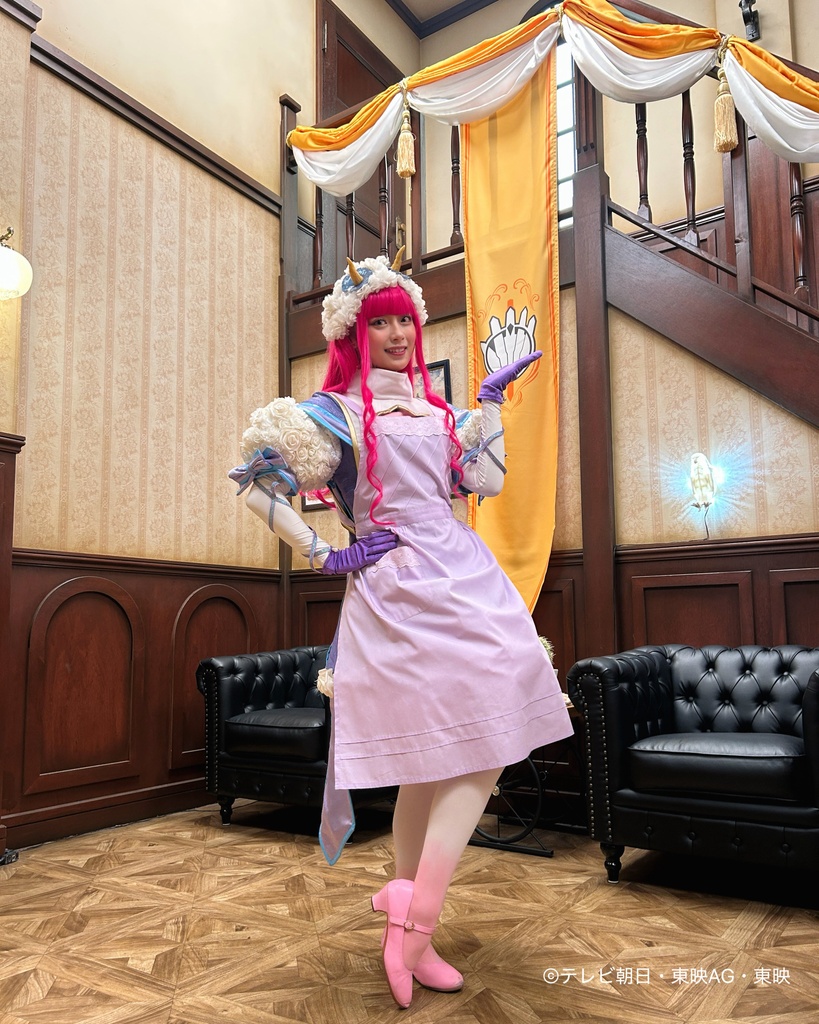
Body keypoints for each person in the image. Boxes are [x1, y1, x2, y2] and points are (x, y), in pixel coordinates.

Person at [229, 250, 573, 1009]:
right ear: (354, 333)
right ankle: (416, 924)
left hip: (465, 571)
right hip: (394, 586)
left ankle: (407, 917)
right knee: (440, 756)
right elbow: (256, 487)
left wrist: (487, 405)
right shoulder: (332, 413)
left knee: (472, 747)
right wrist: (328, 553)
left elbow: (482, 482)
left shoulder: (438, 412)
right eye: (381, 323)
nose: (397, 335)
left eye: (405, 322)